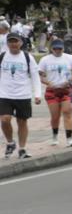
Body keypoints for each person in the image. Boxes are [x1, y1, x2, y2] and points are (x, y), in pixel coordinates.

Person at [0, 30, 40, 158]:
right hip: (5, 94)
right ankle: (10, 142)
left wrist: (38, 94)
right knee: (5, 119)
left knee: (22, 122)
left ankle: (22, 148)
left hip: (23, 94)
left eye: (15, 41)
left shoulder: (28, 57)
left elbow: (35, 77)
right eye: (10, 41)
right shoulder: (2, 56)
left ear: (21, 43)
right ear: (7, 43)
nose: (13, 44)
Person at [39, 36, 72, 148]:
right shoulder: (45, 60)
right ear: (51, 49)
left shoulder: (70, 58)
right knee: (55, 116)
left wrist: (69, 81)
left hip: (66, 89)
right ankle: (55, 136)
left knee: (67, 112)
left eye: (60, 49)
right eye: (55, 49)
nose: (58, 51)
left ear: (63, 48)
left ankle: (69, 138)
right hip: (52, 91)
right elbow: (40, 75)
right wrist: (47, 82)